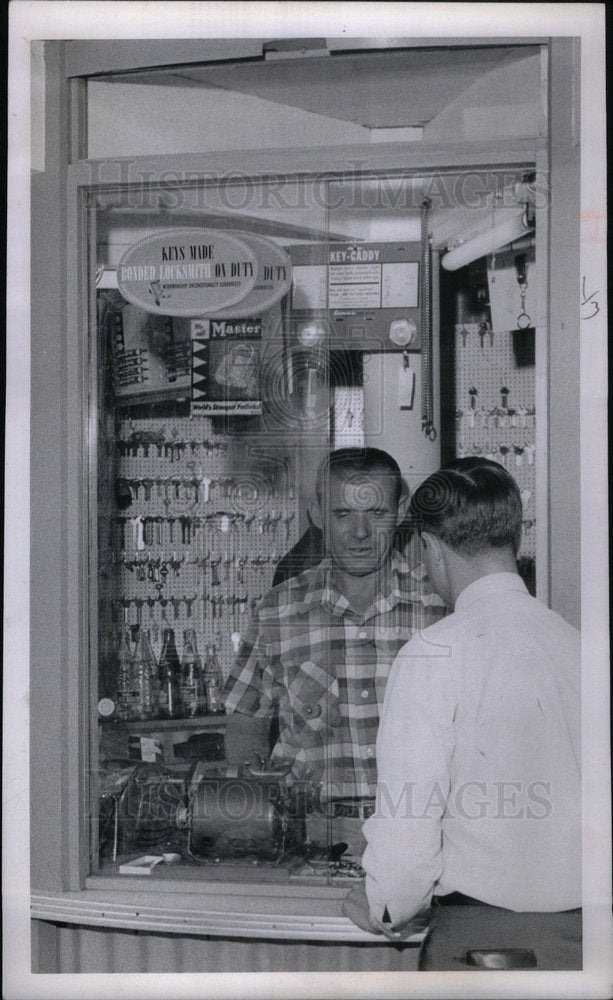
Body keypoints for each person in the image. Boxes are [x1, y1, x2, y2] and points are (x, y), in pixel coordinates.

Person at [343, 457, 581, 969]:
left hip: (483, 944)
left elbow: (410, 827)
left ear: (430, 548)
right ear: (512, 541)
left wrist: (384, 900)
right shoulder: (579, 647)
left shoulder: (433, 652)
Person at [221, 447, 445, 817]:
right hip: (309, 836)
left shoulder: (439, 608)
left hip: (417, 834)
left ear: (401, 512)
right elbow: (246, 723)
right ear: (318, 514)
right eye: (343, 514)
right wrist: (257, 810)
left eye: (376, 513)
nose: (360, 532)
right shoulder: (277, 611)